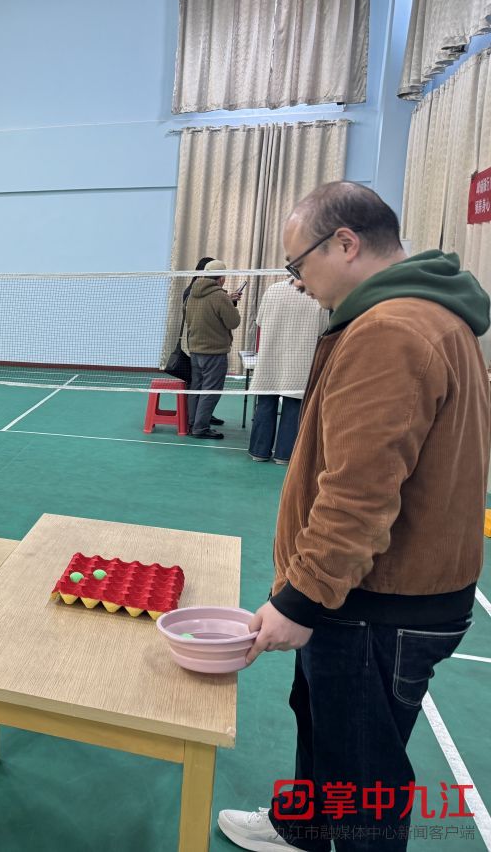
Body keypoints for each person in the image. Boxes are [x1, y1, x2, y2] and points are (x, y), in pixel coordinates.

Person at [217, 182, 489, 852]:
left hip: (377, 601)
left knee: (363, 770)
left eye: (298, 263)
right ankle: (304, 827)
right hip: (377, 592)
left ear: (344, 243)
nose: (298, 282)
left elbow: (358, 493)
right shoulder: (427, 314)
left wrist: (302, 598)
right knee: (325, 723)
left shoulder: (391, 331)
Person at [246, 277, 328, 464]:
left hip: (270, 358)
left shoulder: (273, 289)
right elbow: (322, 328)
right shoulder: (317, 293)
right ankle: (284, 455)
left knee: (265, 404)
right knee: (293, 407)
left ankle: (258, 452)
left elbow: (260, 321)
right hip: (300, 360)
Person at [184, 259, 241, 438]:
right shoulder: (219, 296)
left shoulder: (191, 294)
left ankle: (192, 423)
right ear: (221, 278)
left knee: (196, 388)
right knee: (210, 391)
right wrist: (231, 304)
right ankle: (201, 428)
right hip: (214, 352)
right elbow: (233, 322)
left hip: (195, 350)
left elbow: (188, 318)